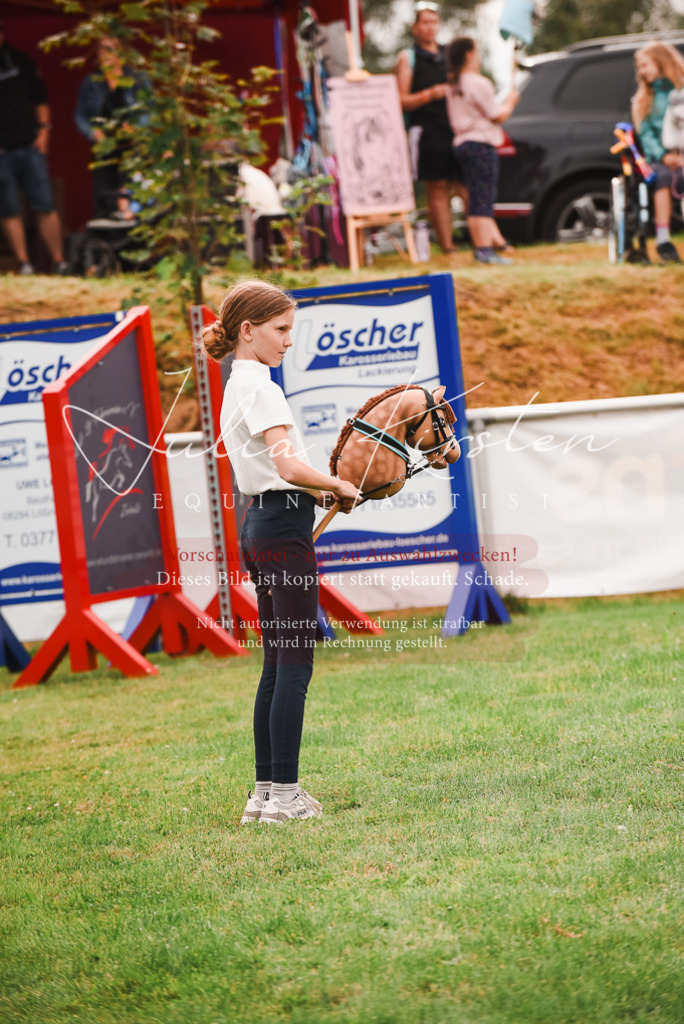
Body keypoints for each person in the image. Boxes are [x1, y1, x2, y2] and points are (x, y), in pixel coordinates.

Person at [203, 281, 360, 825]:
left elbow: (276, 472)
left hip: (262, 524)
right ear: (248, 331)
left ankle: (265, 794)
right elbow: (288, 467)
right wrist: (336, 485)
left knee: (276, 662)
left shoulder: (236, 384)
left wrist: (318, 492)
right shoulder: (263, 388)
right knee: (294, 662)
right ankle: (284, 798)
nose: (289, 340)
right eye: (281, 329)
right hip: (280, 530)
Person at [395, 1, 466, 255]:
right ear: (415, 27)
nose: (429, 27)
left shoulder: (450, 55)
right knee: (437, 187)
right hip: (426, 131)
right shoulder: (408, 58)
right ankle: (448, 247)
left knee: (464, 184)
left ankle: (481, 239)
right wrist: (429, 95)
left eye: (433, 22)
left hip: (455, 128)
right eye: (424, 22)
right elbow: (400, 100)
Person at [0, 21, 68, 275]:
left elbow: (41, 97)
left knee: (45, 203)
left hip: (30, 146)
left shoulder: (21, 60)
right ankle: (24, 263)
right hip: (2, 152)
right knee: (9, 207)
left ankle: (59, 262)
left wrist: (44, 133)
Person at [446, 36, 519, 265]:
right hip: (480, 145)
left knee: (475, 197)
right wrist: (511, 102)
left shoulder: (453, 84)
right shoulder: (479, 83)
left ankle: (482, 247)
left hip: (462, 144)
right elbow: (496, 115)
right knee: (483, 198)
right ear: (469, 55)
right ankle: (484, 249)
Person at [74, 37, 149, 220]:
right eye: (101, 49)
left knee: (132, 195)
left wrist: (136, 127)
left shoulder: (137, 79)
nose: (104, 54)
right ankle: (106, 233)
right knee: (104, 195)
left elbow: (150, 110)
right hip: (105, 146)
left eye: (110, 49)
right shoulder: (92, 82)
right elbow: (80, 115)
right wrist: (92, 132)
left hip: (132, 146)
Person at [632, 41, 684, 263]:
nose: (641, 71)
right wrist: (664, 156)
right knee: (662, 177)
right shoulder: (643, 100)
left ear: (661, 62)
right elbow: (646, 135)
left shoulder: (680, 92)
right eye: (639, 67)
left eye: (645, 65)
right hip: (660, 158)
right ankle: (663, 239)